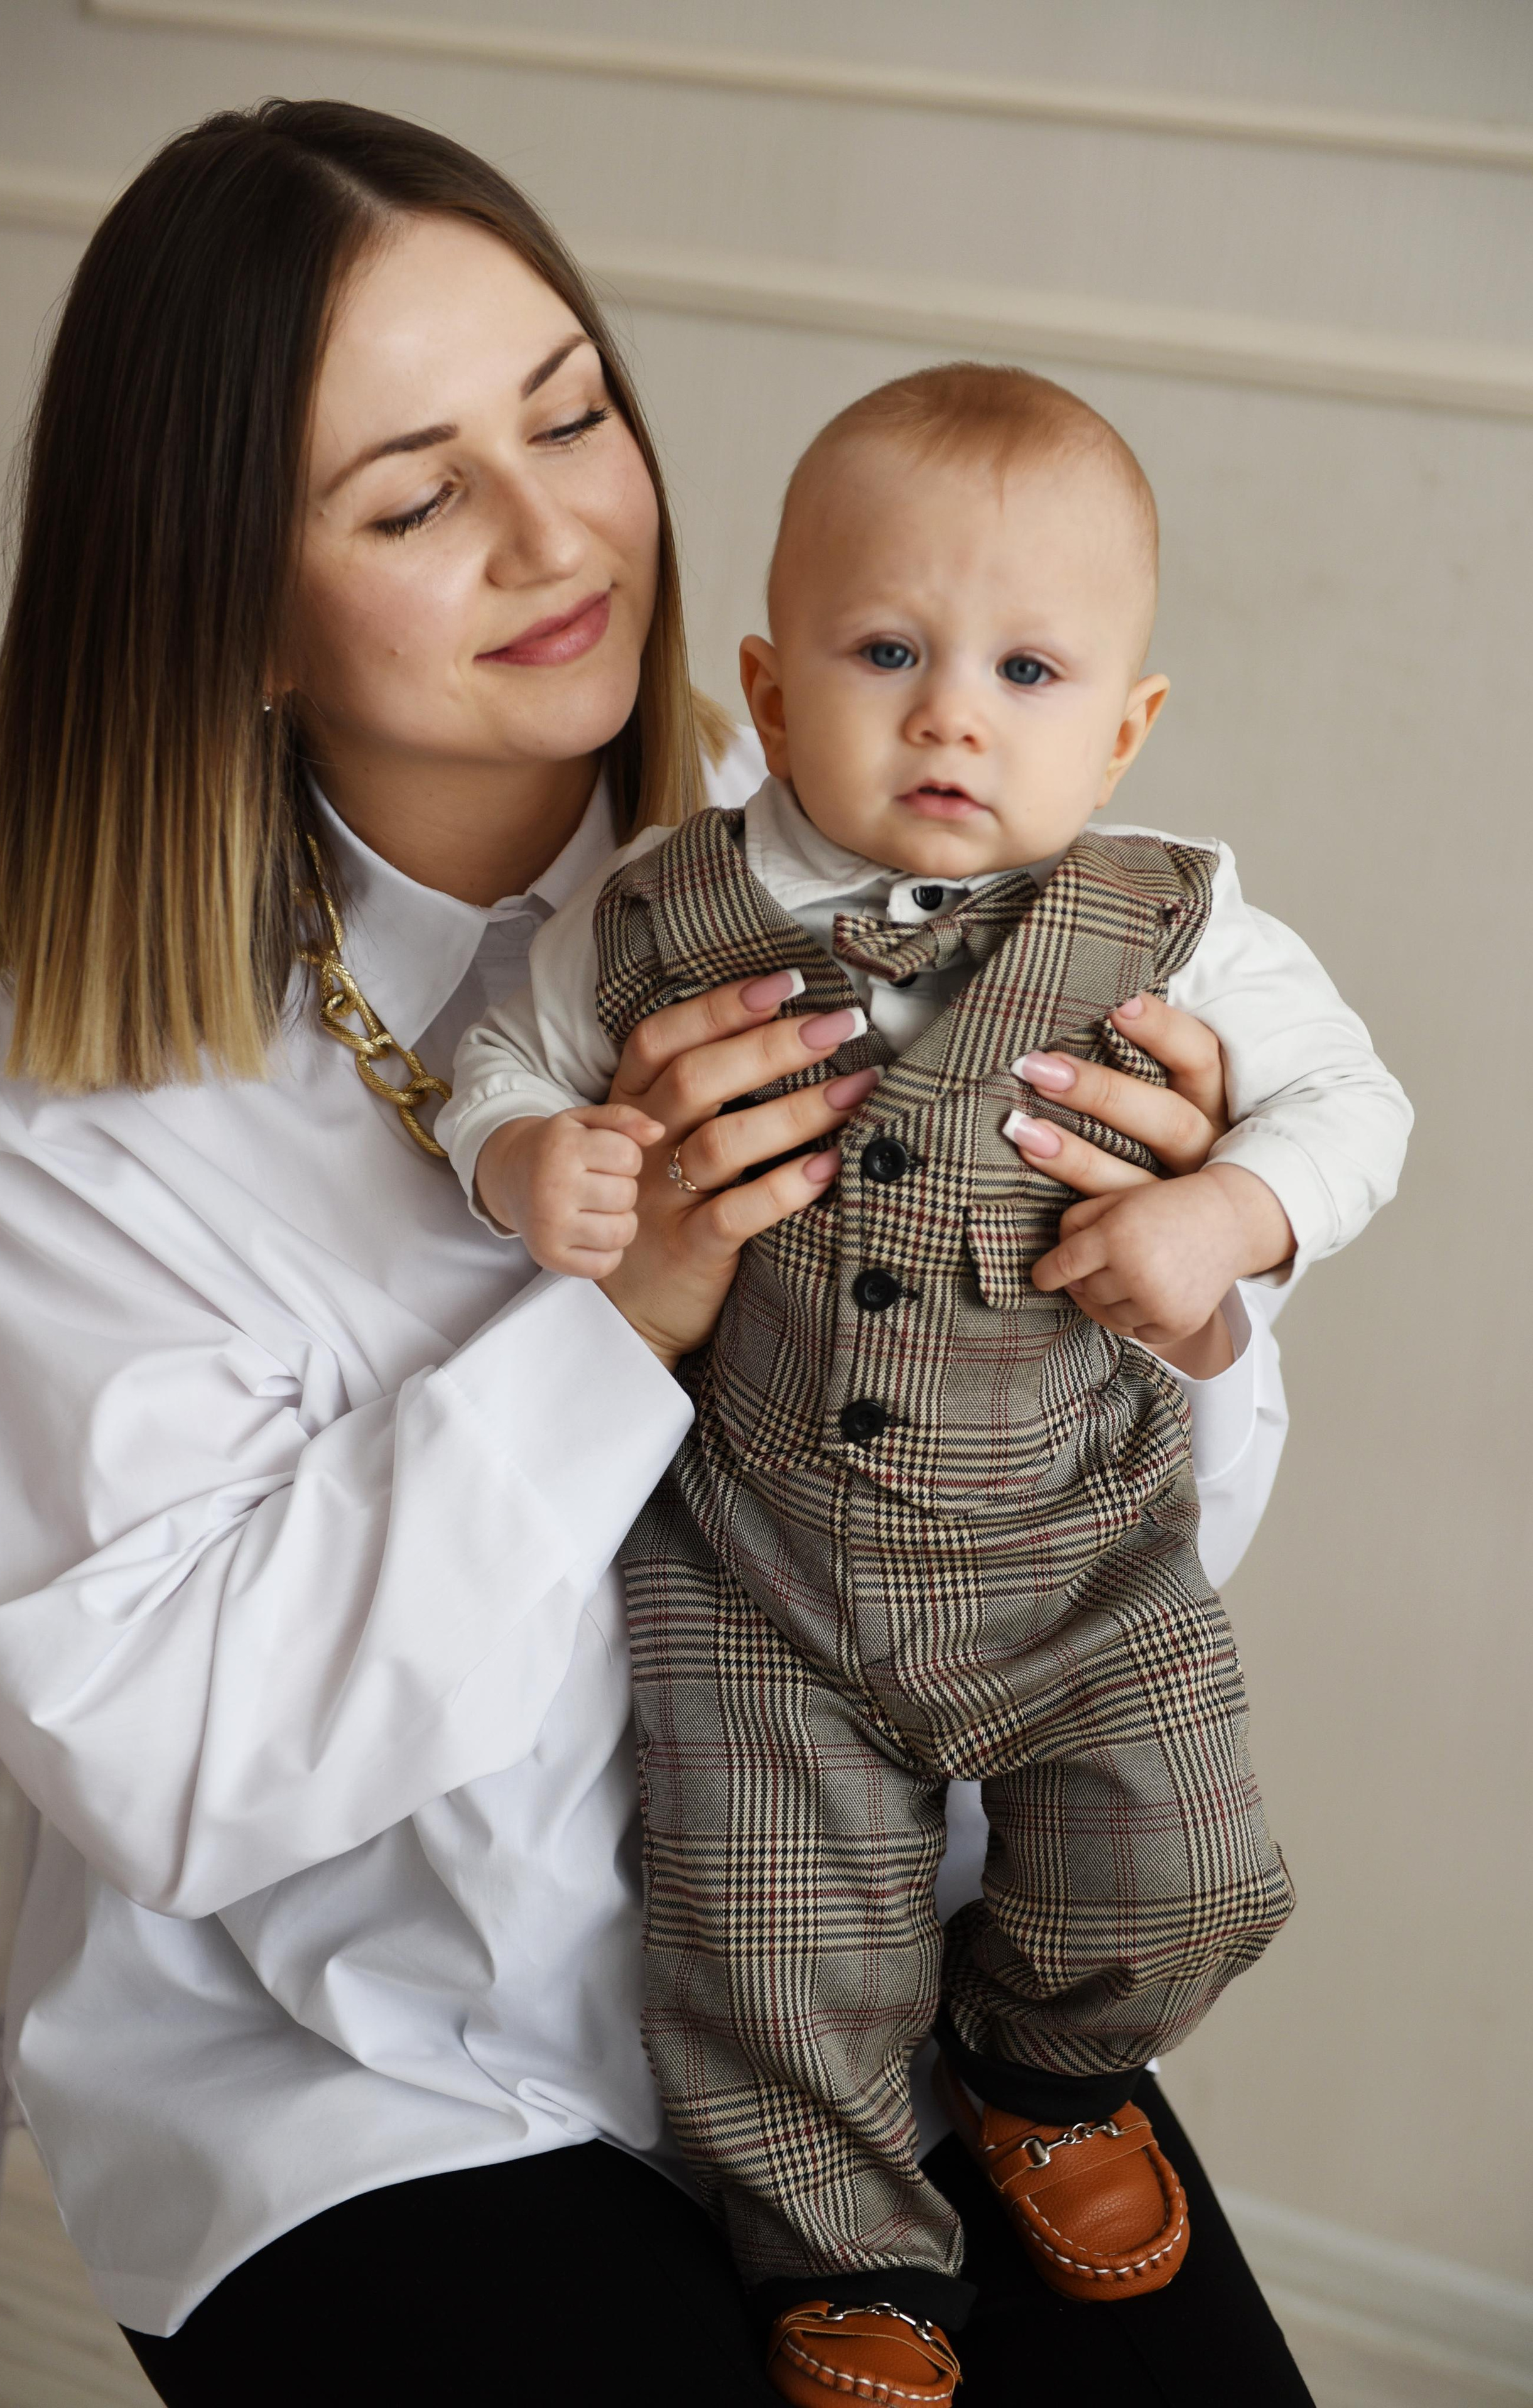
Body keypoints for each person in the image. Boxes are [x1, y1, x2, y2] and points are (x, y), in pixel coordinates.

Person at [0, 100, 1311, 2406]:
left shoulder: (911, 868)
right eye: (412, 494)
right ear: (229, 605)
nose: (559, 528)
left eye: (572, 412)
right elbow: (190, 1770)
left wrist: (1176, 1280)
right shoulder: (69, 1135)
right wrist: (621, 1314)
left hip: (910, 1973)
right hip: (386, 2089)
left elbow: (1155, 1563)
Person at [441, 366, 1411, 2400]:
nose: (956, 712)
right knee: (768, 1939)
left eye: (1031, 667)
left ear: (1127, 723)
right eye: (889, 652)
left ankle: (1048, 2058)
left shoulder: (1181, 921)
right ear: (771, 694)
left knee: (1192, 1852)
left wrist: (1234, 1212)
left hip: (1079, 1551)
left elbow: (1356, 1104)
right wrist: (534, 1156)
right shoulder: (657, 919)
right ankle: (847, 2251)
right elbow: (501, 1073)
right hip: (762, 1573)